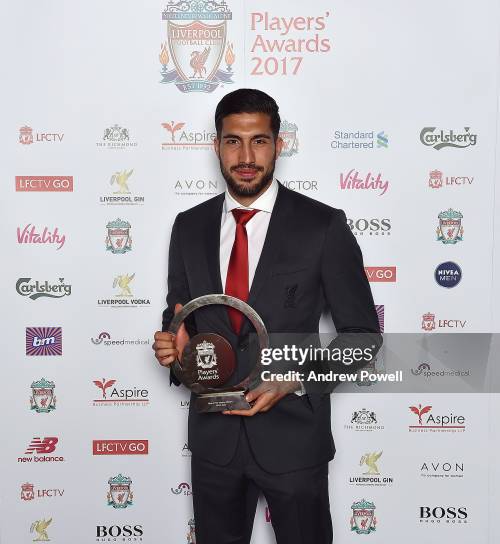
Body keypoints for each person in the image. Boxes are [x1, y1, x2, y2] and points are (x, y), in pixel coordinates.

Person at [152, 88, 381, 544]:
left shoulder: (322, 225)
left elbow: (362, 337)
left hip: (294, 441)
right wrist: (173, 343)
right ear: (216, 146)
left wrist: (293, 377)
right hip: (215, 443)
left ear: (279, 145)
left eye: (259, 140)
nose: (246, 155)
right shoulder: (188, 225)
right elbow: (181, 314)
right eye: (233, 141)